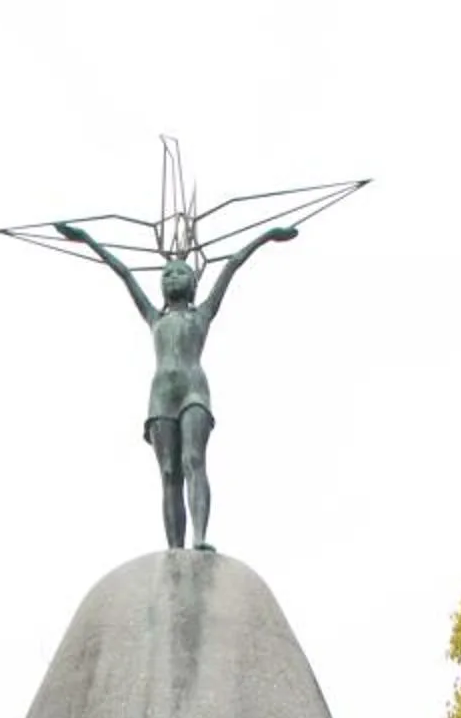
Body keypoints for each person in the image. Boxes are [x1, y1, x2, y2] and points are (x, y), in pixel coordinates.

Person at [52, 219, 300, 550]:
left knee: (193, 460)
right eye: (166, 275)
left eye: (180, 272)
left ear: (194, 283)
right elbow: (123, 272)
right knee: (169, 473)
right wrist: (86, 238)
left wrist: (268, 236)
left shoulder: (202, 315)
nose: (172, 277)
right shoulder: (155, 317)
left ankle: (199, 537)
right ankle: (175, 550)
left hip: (193, 391)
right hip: (161, 397)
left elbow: (233, 263)